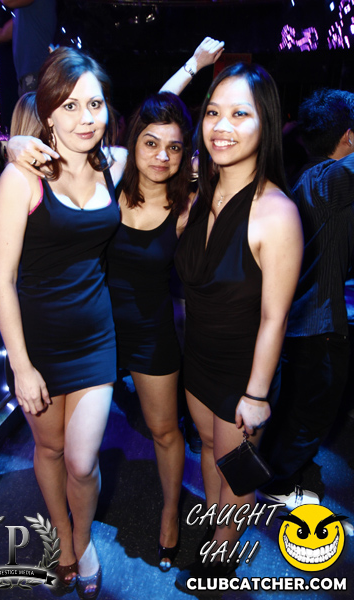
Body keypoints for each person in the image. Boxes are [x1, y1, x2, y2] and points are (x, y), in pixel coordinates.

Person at [0, 47, 126, 599]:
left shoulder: (113, 162)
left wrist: (191, 69)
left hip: (96, 337)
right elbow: (2, 280)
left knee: (81, 460)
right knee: (49, 451)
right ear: (48, 113)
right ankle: (64, 540)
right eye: (69, 106)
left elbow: (160, 122)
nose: (85, 118)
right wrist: (21, 367)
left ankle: (85, 538)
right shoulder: (22, 179)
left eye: (94, 104)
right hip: (39, 345)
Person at [172, 62, 303, 591]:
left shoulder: (276, 212)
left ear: (265, 123)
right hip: (198, 359)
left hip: (244, 373)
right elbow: (128, 148)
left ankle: (221, 565)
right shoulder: (196, 195)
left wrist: (257, 394)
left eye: (240, 114)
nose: (221, 126)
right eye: (212, 112)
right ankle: (215, 532)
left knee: (238, 473)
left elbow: (276, 317)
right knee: (208, 449)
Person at [106, 92, 193, 571]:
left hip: (150, 331)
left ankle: (170, 513)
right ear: (133, 143)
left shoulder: (186, 208)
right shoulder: (106, 186)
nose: (162, 155)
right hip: (94, 330)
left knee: (164, 430)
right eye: (151, 143)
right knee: (74, 440)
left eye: (174, 147)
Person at [259, 88, 354, 509]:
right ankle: (277, 483)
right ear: (348, 136)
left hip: (308, 320)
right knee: (311, 414)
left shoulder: (311, 177)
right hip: (317, 324)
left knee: (297, 409)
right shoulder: (326, 180)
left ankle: (281, 469)